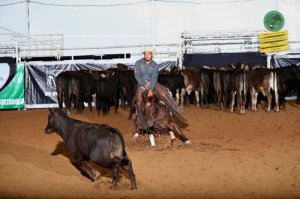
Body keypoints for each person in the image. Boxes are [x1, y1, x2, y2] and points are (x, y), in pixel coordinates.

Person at [134, 47, 181, 135]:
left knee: (164, 93)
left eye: (148, 54)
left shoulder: (155, 65)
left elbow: (155, 77)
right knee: (139, 102)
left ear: (151, 54)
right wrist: (143, 84)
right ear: (144, 54)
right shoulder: (138, 63)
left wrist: (151, 88)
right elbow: (137, 75)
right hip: (141, 84)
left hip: (153, 83)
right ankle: (142, 124)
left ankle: (175, 110)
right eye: (145, 54)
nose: (147, 55)